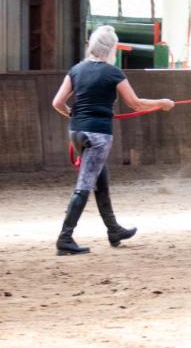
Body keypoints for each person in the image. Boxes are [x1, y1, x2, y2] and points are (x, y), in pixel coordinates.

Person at [50, 25, 174, 255]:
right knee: (84, 185)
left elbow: (57, 103)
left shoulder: (76, 70)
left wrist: (74, 114)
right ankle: (64, 238)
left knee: (99, 179)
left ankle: (113, 229)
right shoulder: (114, 73)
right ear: (111, 49)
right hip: (98, 135)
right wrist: (162, 103)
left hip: (76, 133)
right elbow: (135, 103)